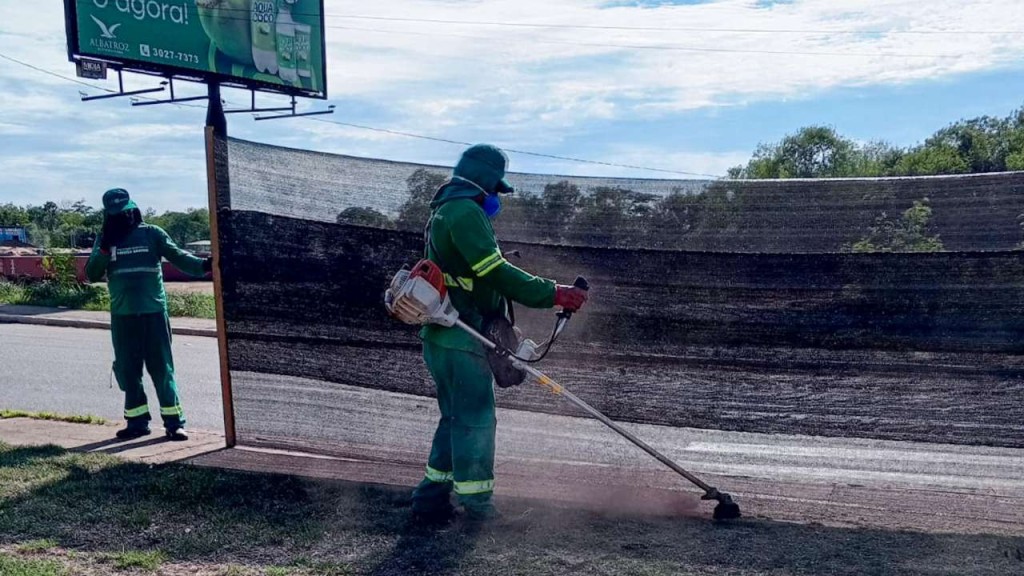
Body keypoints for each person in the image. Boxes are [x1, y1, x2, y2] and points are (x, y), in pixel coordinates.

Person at [411, 144, 589, 523]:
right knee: (476, 419)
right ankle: (477, 506)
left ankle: (430, 497)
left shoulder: (443, 210)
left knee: (454, 417)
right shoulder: (466, 212)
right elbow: (494, 272)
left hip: (442, 335)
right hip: (464, 335)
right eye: (496, 188)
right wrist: (554, 293)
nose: (496, 197)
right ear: (484, 181)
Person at [85, 188, 211, 441]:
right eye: (116, 214)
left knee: (162, 370)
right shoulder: (105, 240)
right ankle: (137, 422)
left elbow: (179, 257)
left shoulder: (152, 234)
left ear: (133, 210)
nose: (123, 217)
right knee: (128, 371)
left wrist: (205, 265)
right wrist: (104, 249)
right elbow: (91, 274)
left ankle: (174, 423)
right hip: (123, 315)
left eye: (125, 212)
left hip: (153, 313)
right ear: (108, 215)